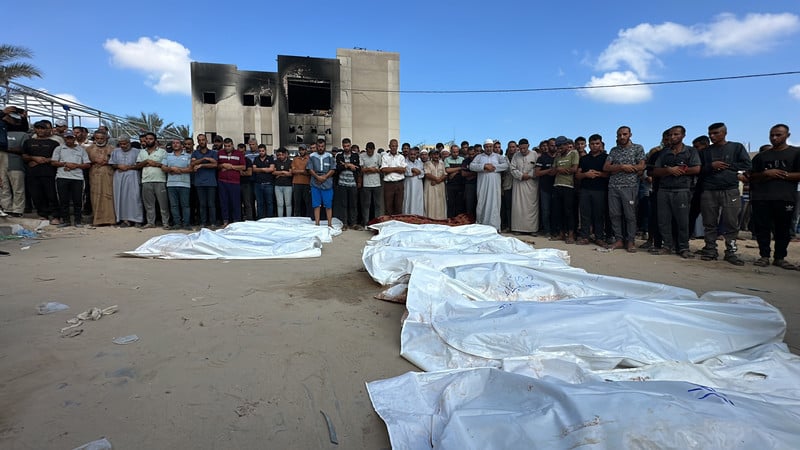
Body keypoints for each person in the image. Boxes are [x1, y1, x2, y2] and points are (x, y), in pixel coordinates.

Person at [697, 122, 752, 265]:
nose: (712, 136)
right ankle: (710, 249)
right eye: (710, 134)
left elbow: (747, 165)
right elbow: (698, 169)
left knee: (731, 222)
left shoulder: (736, 147)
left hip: (730, 190)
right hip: (709, 190)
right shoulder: (705, 152)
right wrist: (711, 166)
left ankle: (731, 252)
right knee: (709, 223)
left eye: (716, 133)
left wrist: (727, 166)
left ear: (725, 133)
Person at [749, 124, 800, 270]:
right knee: (762, 228)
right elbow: (751, 176)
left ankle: (780, 257)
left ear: (787, 135)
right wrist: (766, 174)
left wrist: (784, 174)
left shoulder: (795, 153)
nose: (774, 138)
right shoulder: (761, 156)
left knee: (783, 229)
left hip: (785, 197)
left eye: (778, 135)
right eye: (772, 135)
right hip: (762, 197)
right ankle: (764, 255)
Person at [651, 126, 701, 258]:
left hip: (682, 190)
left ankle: (683, 247)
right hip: (664, 190)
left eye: (676, 134)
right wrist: (668, 171)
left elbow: (696, 169)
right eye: (671, 135)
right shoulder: (664, 153)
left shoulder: (690, 151)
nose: (673, 137)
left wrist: (679, 170)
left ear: (683, 135)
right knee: (663, 220)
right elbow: (655, 171)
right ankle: (667, 246)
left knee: (682, 221)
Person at [603, 126, 646, 252]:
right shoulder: (614, 150)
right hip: (613, 186)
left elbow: (641, 166)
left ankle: (631, 241)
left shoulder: (638, 148)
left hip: (630, 186)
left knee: (630, 215)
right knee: (614, 214)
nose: (622, 137)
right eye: (619, 135)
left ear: (630, 134)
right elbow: (606, 167)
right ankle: (619, 240)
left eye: (624, 134)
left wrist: (630, 167)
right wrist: (622, 167)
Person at [22, 121, 61, 224]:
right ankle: (42, 214)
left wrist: (43, 160)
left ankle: (55, 216)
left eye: (43, 128)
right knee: (36, 195)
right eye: (38, 128)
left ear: (48, 130)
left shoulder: (54, 143)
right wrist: (33, 158)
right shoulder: (28, 142)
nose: (40, 130)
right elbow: (24, 156)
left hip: (49, 173)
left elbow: (58, 157)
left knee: (51, 195)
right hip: (33, 173)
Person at [51, 130, 91, 227]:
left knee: (78, 200)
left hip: (77, 178)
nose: (69, 140)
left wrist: (76, 166)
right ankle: (66, 221)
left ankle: (78, 221)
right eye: (67, 138)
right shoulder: (59, 149)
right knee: (63, 200)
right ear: (64, 138)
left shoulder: (81, 150)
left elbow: (87, 164)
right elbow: (53, 162)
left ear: (74, 138)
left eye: (71, 138)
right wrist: (65, 164)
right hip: (62, 177)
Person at [575, 134, 609, 244]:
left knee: (599, 214)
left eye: (597, 144)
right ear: (589, 145)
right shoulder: (584, 159)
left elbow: (610, 174)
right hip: (585, 189)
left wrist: (599, 174)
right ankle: (585, 236)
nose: (595, 146)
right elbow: (577, 175)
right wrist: (586, 174)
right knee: (585, 214)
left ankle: (599, 237)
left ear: (601, 144)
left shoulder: (606, 157)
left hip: (600, 190)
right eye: (592, 144)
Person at [470, 138, 509, 230]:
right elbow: (472, 166)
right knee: (482, 203)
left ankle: (494, 227)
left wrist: (494, 167)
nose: (488, 148)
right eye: (487, 147)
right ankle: (482, 226)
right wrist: (484, 166)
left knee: (495, 204)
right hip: (482, 185)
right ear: (484, 147)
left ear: (492, 147)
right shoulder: (479, 157)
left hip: (494, 186)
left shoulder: (498, 156)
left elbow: (506, 165)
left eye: (490, 146)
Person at [136, 132, 170, 229]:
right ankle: (151, 222)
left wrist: (155, 164)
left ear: (155, 140)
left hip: (160, 180)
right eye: (147, 139)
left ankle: (165, 223)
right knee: (149, 204)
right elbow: (137, 165)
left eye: (151, 139)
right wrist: (146, 161)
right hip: (146, 181)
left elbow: (165, 165)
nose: (148, 140)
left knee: (163, 203)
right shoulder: (142, 152)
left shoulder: (162, 152)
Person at [550, 136, 580, 243]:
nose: (559, 147)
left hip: (568, 186)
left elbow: (574, 169)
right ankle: (562, 234)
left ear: (567, 145)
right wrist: (561, 170)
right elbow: (552, 171)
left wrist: (559, 169)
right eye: (558, 145)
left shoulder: (574, 153)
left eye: (562, 145)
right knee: (558, 211)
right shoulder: (557, 157)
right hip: (557, 185)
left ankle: (571, 235)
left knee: (569, 212)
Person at [108, 136, 143, 227]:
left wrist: (129, 167)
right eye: (121, 144)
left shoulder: (137, 151)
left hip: (133, 176)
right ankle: (125, 219)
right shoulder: (115, 151)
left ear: (129, 143)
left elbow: (140, 164)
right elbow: (112, 164)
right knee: (121, 197)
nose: (123, 146)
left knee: (135, 197)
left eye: (125, 144)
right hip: (119, 177)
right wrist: (118, 166)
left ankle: (137, 219)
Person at [0, 106, 28, 217]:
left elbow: (25, 148)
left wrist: (24, 118)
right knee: (3, 185)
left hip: (16, 162)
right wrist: (2, 113)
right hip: (2, 157)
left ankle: (17, 210)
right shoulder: (2, 126)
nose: (10, 120)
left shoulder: (22, 133)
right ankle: (6, 208)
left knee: (17, 186)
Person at [85, 129, 116, 226]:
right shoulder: (89, 149)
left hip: (108, 175)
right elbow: (85, 162)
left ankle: (110, 219)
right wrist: (94, 162)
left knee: (109, 196)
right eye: (97, 138)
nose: (99, 140)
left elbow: (116, 162)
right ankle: (97, 220)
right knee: (95, 196)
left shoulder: (112, 149)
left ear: (106, 138)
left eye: (102, 138)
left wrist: (107, 162)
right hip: (94, 175)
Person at [162, 138, 193, 230]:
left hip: (185, 184)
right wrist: (171, 169)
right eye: (173, 143)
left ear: (182, 145)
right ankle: (177, 223)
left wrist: (177, 170)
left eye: (177, 143)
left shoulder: (188, 156)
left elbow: (190, 169)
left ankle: (186, 224)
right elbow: (163, 167)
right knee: (174, 205)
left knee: (185, 205)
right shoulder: (167, 155)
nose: (175, 144)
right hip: (171, 184)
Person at [509, 138, 538, 234]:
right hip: (519, 184)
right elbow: (512, 169)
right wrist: (521, 175)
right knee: (518, 207)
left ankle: (532, 229)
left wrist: (529, 175)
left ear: (528, 146)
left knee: (531, 207)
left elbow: (537, 168)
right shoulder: (516, 156)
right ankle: (518, 228)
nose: (522, 151)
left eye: (524, 148)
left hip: (531, 184)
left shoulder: (534, 154)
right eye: (520, 149)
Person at [191, 134, 218, 228]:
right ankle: (203, 222)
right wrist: (204, 159)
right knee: (202, 204)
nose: (202, 141)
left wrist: (202, 165)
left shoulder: (213, 152)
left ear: (206, 141)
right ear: (198, 142)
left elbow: (215, 164)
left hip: (211, 182)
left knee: (211, 204)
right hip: (199, 182)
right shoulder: (195, 153)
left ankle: (213, 223)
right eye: (200, 140)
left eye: (203, 140)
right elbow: (193, 163)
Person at [217, 137, 246, 226]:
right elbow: (216, 166)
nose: (227, 148)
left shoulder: (239, 154)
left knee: (235, 202)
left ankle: (236, 221)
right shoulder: (220, 153)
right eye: (225, 146)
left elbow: (243, 167)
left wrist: (231, 167)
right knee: (224, 202)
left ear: (232, 145)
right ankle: (225, 221)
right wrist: (222, 165)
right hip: (222, 181)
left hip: (235, 182)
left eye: (229, 146)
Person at [307, 138, 335, 227]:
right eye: (319, 146)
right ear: (316, 146)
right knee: (316, 204)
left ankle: (329, 224)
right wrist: (317, 177)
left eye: (322, 146)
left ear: (325, 147)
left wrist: (324, 177)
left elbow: (333, 169)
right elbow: (310, 169)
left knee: (328, 204)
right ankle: (317, 223)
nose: (320, 148)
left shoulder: (329, 156)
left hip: (327, 181)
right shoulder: (312, 156)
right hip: (315, 181)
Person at [334, 138, 361, 229]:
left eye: (348, 146)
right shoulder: (339, 155)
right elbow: (337, 168)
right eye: (344, 146)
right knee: (343, 204)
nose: (346, 148)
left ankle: (353, 223)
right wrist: (349, 165)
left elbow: (357, 168)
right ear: (342, 146)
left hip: (353, 183)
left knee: (353, 204)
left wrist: (346, 165)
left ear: (350, 145)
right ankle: (344, 223)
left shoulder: (355, 155)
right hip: (342, 183)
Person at [534, 140, 556, 236]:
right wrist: (549, 170)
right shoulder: (541, 158)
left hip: (557, 188)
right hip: (545, 188)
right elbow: (537, 173)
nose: (553, 147)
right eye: (551, 145)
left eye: (555, 145)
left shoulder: (559, 158)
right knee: (545, 211)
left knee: (556, 210)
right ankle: (547, 230)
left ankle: (556, 230)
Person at [359, 142, 383, 227]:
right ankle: (366, 222)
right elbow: (361, 170)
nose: (369, 153)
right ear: (366, 150)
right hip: (366, 184)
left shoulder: (378, 156)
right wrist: (370, 169)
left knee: (377, 204)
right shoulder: (362, 156)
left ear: (374, 149)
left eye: (371, 151)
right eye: (368, 151)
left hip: (377, 183)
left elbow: (381, 169)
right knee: (366, 204)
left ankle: (377, 223)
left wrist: (374, 170)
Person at [380, 139, 406, 216]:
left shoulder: (401, 157)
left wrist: (390, 169)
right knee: (388, 206)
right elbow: (384, 170)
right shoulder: (385, 157)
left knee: (398, 206)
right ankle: (389, 225)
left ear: (398, 146)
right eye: (392, 146)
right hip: (389, 185)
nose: (394, 147)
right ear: (389, 146)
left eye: (396, 146)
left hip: (399, 184)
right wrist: (397, 168)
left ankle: (397, 225)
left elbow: (403, 170)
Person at [252, 144, 276, 219]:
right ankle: (260, 219)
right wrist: (264, 169)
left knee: (269, 202)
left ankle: (269, 219)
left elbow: (271, 169)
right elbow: (254, 169)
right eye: (260, 151)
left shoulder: (270, 158)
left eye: (263, 151)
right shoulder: (256, 159)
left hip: (268, 184)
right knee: (259, 203)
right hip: (258, 184)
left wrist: (260, 169)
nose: (261, 152)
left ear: (265, 150)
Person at [423, 149, 447, 220]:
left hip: (440, 185)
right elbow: (427, 174)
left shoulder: (442, 163)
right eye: (434, 154)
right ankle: (430, 218)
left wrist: (437, 180)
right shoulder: (427, 163)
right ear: (430, 156)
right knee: (430, 201)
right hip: (430, 186)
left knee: (440, 202)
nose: (436, 156)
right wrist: (436, 179)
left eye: (437, 154)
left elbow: (445, 174)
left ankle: (441, 219)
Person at [444, 144, 465, 217]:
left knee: (460, 203)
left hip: (461, 184)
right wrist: (459, 168)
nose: (455, 154)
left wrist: (454, 172)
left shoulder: (462, 159)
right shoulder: (447, 159)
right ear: (451, 152)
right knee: (451, 203)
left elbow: (464, 169)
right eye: (454, 152)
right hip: (451, 185)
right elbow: (447, 170)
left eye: (457, 152)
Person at [291, 144, 312, 219]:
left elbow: (309, 172)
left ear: (306, 150)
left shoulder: (309, 159)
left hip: (307, 183)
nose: (301, 151)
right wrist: (303, 171)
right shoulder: (295, 159)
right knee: (297, 202)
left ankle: (308, 218)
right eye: (300, 150)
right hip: (296, 183)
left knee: (307, 202)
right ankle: (297, 218)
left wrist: (298, 171)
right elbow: (292, 171)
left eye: (303, 149)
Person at [403, 147, 425, 215]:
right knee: (408, 199)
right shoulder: (404, 162)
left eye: (414, 154)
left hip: (418, 185)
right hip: (409, 184)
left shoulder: (420, 163)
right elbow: (406, 171)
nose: (413, 156)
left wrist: (415, 171)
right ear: (408, 154)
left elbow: (423, 173)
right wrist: (413, 170)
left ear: (416, 155)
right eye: (411, 154)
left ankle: (418, 216)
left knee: (418, 200)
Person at [500, 141, 517, 231]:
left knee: (517, 207)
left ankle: (516, 226)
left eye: (513, 147)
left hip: (518, 185)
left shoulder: (519, 157)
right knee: (507, 207)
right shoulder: (504, 159)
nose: (511, 149)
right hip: (507, 185)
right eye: (510, 147)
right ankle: (509, 226)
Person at [273, 147, 293, 217]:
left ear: (286, 154)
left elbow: (290, 173)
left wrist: (280, 174)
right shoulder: (275, 162)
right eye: (278, 155)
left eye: (282, 155)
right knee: (280, 204)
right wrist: (283, 172)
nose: (280, 156)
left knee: (288, 204)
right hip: (278, 186)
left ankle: (288, 219)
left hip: (288, 186)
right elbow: (273, 172)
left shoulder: (290, 162)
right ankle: (280, 219)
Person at [461, 145, 479, 217]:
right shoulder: (465, 161)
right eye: (470, 154)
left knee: (479, 203)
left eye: (473, 154)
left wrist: (471, 175)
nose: (471, 156)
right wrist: (475, 173)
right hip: (469, 185)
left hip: (479, 184)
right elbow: (463, 174)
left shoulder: (479, 160)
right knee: (469, 204)